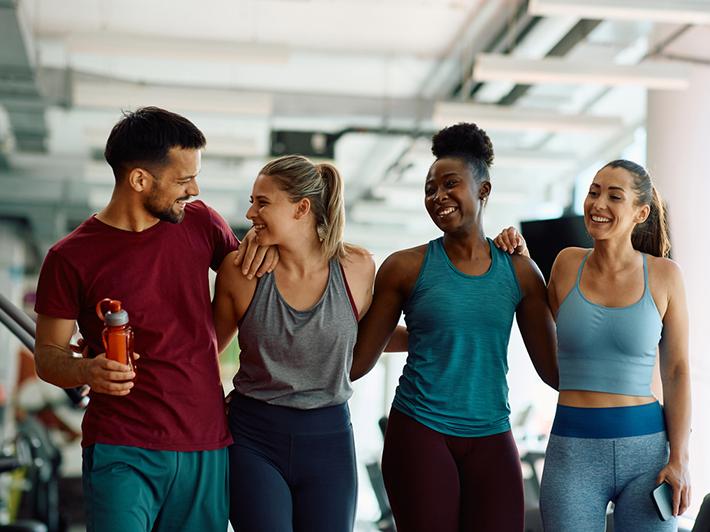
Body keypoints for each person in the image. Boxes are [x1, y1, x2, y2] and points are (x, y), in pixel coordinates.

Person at [33, 107, 274, 532]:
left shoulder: (202, 224)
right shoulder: (69, 257)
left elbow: (249, 284)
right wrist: (86, 369)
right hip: (121, 444)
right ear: (140, 179)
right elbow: (48, 356)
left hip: (204, 441)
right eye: (183, 180)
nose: (194, 190)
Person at [350, 122, 558, 532]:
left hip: (491, 433)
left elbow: (555, 373)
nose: (438, 197)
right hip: (419, 430)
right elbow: (357, 360)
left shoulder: (520, 272)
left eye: (450, 184)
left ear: (483, 190)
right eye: (430, 188)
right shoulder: (404, 268)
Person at [495, 159, 691, 531]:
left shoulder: (666, 276)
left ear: (640, 212)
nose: (598, 204)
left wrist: (680, 457)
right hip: (573, 451)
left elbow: (678, 373)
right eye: (594, 192)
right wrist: (520, 258)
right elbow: (536, 314)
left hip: (647, 454)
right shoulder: (567, 264)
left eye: (614, 196)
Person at [213, 155, 376, 532]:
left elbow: (366, 337)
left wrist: (439, 336)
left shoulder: (357, 268)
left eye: (262, 202)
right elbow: (204, 353)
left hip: (329, 439)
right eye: (253, 201)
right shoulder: (241, 273)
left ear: (301, 208)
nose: (251, 212)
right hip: (253, 437)